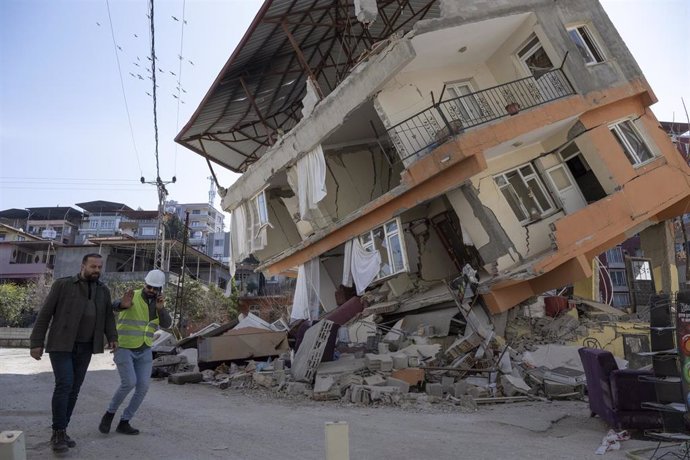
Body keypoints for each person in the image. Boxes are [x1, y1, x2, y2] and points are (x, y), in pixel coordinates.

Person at [30, 253, 118, 453]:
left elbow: (107, 317)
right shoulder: (63, 285)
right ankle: (58, 432)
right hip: (61, 344)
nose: (96, 270)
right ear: (83, 266)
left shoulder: (103, 290)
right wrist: (36, 342)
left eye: (99, 267)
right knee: (65, 384)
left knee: (75, 388)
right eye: (93, 266)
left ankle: (63, 429)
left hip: (85, 346)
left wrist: (112, 336)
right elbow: (45, 313)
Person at [99, 269, 172, 435]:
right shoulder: (133, 296)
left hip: (145, 349)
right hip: (124, 347)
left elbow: (167, 324)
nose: (151, 290)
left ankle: (124, 421)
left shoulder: (159, 304)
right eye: (149, 286)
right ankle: (109, 414)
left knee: (143, 387)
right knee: (129, 382)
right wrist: (121, 305)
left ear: (160, 289)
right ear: (145, 284)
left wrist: (161, 310)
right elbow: (115, 305)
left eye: (155, 288)